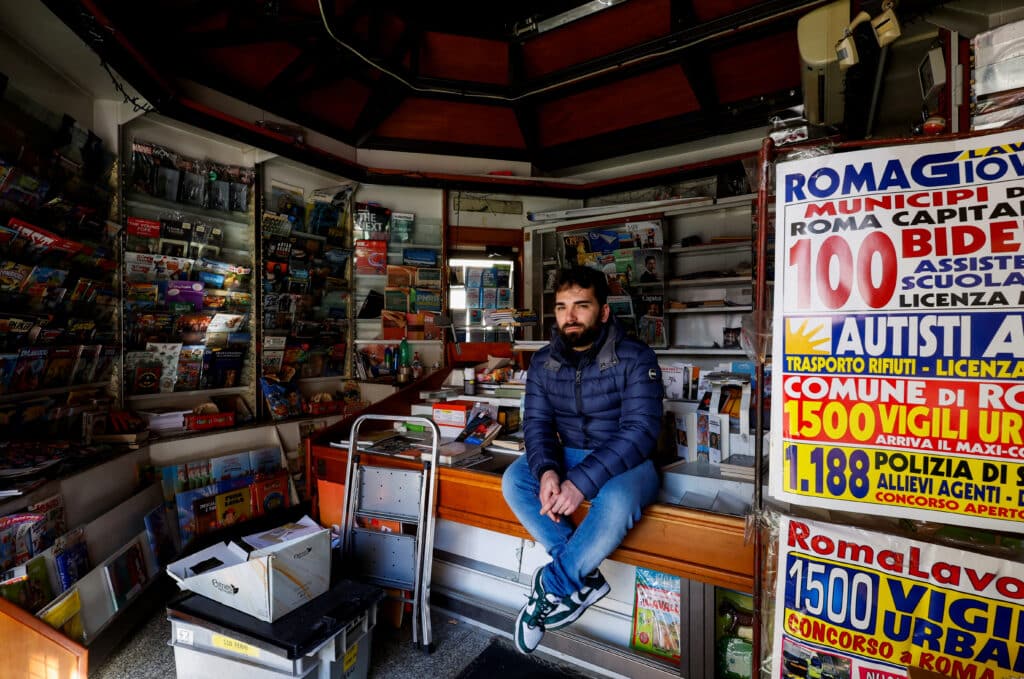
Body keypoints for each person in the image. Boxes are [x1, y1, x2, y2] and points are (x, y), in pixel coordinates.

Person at [501, 266, 663, 654]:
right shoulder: (542, 363)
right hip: (571, 457)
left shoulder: (637, 357)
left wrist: (579, 484)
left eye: (581, 306)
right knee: (513, 479)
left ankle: (552, 586)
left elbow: (640, 432)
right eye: (561, 307)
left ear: (603, 312)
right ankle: (582, 577)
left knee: (619, 502)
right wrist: (547, 471)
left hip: (630, 461)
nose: (569, 316)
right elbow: (537, 423)